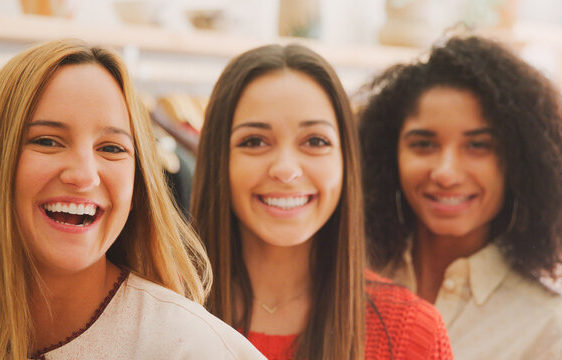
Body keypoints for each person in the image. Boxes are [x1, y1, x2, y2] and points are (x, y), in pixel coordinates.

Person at [0, 39, 265, 360]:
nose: (85, 175)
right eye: (47, 141)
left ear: (139, 182)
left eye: (111, 148)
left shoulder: (194, 349)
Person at [191, 43, 452, 359]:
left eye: (315, 141)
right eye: (255, 141)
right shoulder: (157, 313)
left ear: (347, 162)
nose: (286, 170)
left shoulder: (413, 334)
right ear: (218, 159)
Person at [359, 35, 562, 359]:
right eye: (424, 144)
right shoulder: (342, 281)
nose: (446, 173)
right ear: (387, 155)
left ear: (520, 163)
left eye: (478, 146)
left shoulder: (557, 334)